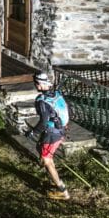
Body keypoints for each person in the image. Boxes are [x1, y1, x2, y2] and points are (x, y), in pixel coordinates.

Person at [33, 71, 70, 200]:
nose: (36, 86)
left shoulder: (42, 101)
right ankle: (56, 181)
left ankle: (62, 191)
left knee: (46, 161)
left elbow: (43, 123)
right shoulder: (57, 95)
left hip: (51, 134)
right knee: (47, 156)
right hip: (60, 131)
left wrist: (33, 132)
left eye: (36, 83)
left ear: (40, 84)